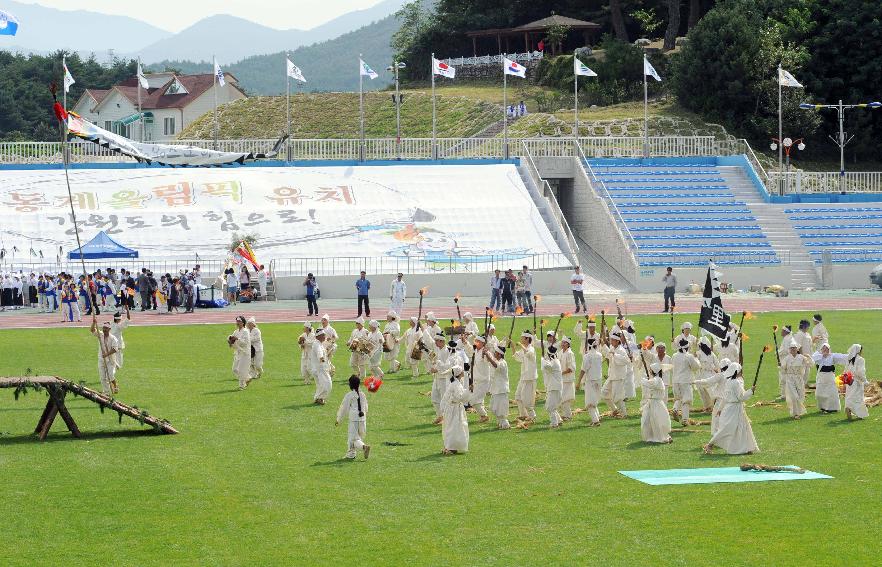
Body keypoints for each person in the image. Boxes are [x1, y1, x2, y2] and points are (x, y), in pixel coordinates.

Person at [703, 363, 758, 455]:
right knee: (728, 429)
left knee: (742, 428)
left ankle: (747, 448)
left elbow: (725, 397)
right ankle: (710, 444)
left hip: (732, 408)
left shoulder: (728, 382)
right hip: (734, 409)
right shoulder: (735, 382)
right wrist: (751, 391)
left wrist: (720, 409)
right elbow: (741, 397)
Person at [336, 375, 370, 460]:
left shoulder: (349, 395)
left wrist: (338, 419)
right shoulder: (363, 394)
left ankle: (363, 447)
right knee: (358, 437)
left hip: (354, 419)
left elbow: (343, 408)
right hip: (362, 419)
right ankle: (351, 454)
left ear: (350, 385)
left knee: (352, 439)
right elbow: (366, 407)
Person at [693, 358, 730, 435]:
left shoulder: (720, 375)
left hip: (720, 401)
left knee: (716, 419)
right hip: (730, 401)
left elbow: (708, 381)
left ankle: (717, 435)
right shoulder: (732, 376)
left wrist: (695, 381)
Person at [441, 366, 470, 455]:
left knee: (451, 426)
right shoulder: (456, 384)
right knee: (454, 427)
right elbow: (459, 397)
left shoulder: (454, 383)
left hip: (451, 407)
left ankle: (450, 446)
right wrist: (469, 390)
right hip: (454, 408)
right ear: (459, 374)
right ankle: (451, 447)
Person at [641, 363, 673, 444]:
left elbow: (649, 384)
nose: (650, 371)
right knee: (651, 420)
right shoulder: (658, 379)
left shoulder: (657, 380)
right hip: (655, 402)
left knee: (656, 420)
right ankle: (653, 435)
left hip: (655, 403)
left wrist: (643, 379)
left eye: (650, 370)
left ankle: (658, 437)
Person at [601, 329, 629, 417]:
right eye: (611, 340)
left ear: (617, 341)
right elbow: (608, 355)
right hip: (612, 375)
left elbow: (625, 361)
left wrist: (615, 355)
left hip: (619, 377)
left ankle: (624, 414)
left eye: (612, 340)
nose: (611, 341)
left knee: (617, 397)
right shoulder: (613, 348)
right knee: (604, 393)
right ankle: (615, 410)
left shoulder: (621, 350)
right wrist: (603, 345)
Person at [811, 343, 847, 413]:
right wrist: (822, 355)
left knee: (831, 393)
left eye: (827, 349)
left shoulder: (832, 356)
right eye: (824, 349)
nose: (825, 350)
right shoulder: (817, 356)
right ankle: (823, 407)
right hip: (821, 377)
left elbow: (842, 357)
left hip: (830, 377)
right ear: (821, 349)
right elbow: (811, 359)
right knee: (819, 393)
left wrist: (853, 355)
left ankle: (832, 408)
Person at [779, 340, 811, 419]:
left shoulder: (801, 357)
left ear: (797, 349)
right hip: (790, 379)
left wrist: (809, 357)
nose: (793, 350)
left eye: (794, 348)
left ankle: (798, 412)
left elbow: (810, 364)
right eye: (791, 348)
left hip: (799, 379)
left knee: (800, 396)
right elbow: (783, 369)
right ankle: (796, 413)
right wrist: (781, 366)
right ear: (789, 350)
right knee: (794, 396)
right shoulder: (787, 358)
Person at [672, 338, 700, 426]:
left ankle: (675, 409)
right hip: (685, 381)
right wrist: (696, 358)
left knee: (678, 398)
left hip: (675, 380)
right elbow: (696, 367)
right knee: (686, 400)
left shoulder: (674, 355)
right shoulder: (689, 356)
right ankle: (685, 419)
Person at [484, 344, 511, 429]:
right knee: (493, 407)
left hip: (501, 389)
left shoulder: (503, 363)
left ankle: (505, 423)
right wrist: (486, 352)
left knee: (500, 407)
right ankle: (500, 422)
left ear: (499, 354)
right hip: (496, 388)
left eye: (496, 352)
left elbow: (495, 365)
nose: (494, 353)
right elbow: (492, 361)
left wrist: (488, 355)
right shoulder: (497, 360)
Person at [90, 316, 119, 395]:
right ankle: (106, 392)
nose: (104, 329)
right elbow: (92, 330)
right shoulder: (100, 335)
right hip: (101, 359)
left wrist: (106, 354)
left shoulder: (113, 338)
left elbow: (115, 349)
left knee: (110, 375)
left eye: (106, 328)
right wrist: (94, 322)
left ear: (109, 329)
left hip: (110, 360)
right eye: (103, 328)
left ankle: (115, 385)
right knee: (103, 378)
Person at [513, 331, 538, 422]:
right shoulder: (524, 348)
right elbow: (517, 357)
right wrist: (512, 346)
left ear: (527, 339)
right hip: (523, 376)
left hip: (530, 378)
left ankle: (532, 415)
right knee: (518, 396)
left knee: (527, 399)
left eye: (523, 337)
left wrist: (521, 345)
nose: (521, 339)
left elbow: (528, 354)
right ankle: (523, 414)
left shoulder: (531, 349)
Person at [579, 334, 603, 426]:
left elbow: (583, 369)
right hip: (598, 380)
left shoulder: (587, 356)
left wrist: (578, 382)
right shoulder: (599, 355)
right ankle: (597, 417)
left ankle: (596, 421)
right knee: (594, 401)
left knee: (589, 403)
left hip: (591, 381)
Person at [429, 331, 453, 424]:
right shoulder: (438, 350)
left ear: (442, 341)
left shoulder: (447, 351)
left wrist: (437, 369)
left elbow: (448, 366)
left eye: (437, 341)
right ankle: (440, 416)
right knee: (434, 398)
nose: (435, 342)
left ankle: (446, 419)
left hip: (444, 379)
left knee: (444, 399)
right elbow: (437, 362)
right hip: (437, 378)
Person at [469, 335, 492, 422]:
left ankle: (484, 415)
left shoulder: (485, 352)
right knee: (479, 400)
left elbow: (489, 361)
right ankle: (483, 416)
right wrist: (465, 342)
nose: (476, 342)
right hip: (476, 380)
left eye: (478, 341)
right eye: (476, 341)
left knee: (473, 400)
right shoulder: (476, 350)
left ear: (483, 343)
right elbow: (469, 349)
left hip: (483, 380)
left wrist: (485, 355)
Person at [844, 344, 869, 420]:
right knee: (858, 398)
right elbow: (861, 372)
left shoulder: (849, 359)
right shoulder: (861, 359)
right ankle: (859, 414)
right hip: (857, 381)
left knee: (850, 395)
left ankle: (848, 407)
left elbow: (845, 371)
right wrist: (865, 380)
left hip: (849, 381)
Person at [695, 336, 719, 412]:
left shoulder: (699, 353)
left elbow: (695, 364)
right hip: (707, 373)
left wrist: (694, 357)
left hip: (703, 374)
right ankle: (709, 406)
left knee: (706, 391)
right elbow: (717, 364)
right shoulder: (711, 353)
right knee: (707, 390)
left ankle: (711, 405)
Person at [541, 346, 563, 428]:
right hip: (554, 387)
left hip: (554, 387)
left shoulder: (554, 362)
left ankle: (554, 423)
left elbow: (547, 367)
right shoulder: (555, 361)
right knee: (551, 406)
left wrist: (543, 359)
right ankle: (559, 420)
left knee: (550, 407)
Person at [228, 315, 252, 390]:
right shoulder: (236, 331)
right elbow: (232, 338)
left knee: (241, 369)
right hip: (238, 352)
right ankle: (247, 377)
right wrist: (230, 341)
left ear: (243, 323)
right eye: (237, 321)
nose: (237, 323)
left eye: (239, 321)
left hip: (245, 353)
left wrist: (237, 339)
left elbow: (245, 343)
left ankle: (242, 385)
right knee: (234, 369)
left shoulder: (245, 331)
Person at [312, 329, 333, 404]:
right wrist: (325, 363)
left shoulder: (319, 343)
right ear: (319, 336)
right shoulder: (317, 345)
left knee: (320, 385)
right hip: (320, 369)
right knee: (328, 384)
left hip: (317, 368)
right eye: (323, 335)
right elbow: (320, 355)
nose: (325, 336)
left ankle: (318, 398)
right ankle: (319, 398)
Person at [559, 337, 577, 421]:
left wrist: (561, 373)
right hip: (562, 379)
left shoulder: (570, 353)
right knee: (562, 398)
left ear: (568, 344)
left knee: (565, 398)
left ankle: (568, 416)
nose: (562, 344)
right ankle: (565, 415)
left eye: (564, 343)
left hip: (568, 379)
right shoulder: (560, 352)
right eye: (562, 342)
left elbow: (571, 368)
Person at [109, 309, 131, 377]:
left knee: (113, 361)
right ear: (119, 319)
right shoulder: (118, 326)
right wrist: (127, 310)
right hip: (117, 346)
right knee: (118, 363)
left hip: (110, 345)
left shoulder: (111, 323)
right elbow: (128, 319)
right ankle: (111, 376)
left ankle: (111, 374)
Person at [794, 320, 813, 386]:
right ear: (805, 327)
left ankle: (803, 386)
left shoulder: (807, 334)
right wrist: (801, 356)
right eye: (808, 327)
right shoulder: (799, 334)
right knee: (802, 372)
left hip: (808, 356)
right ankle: (799, 387)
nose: (808, 328)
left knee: (807, 372)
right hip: (802, 357)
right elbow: (798, 346)